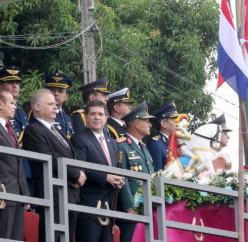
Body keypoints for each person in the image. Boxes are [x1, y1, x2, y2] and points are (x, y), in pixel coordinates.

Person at [23, 89, 86, 242]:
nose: (56, 107)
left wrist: (80, 172)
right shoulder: (33, 130)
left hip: (70, 194)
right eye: (50, 104)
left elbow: (73, 156)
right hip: (53, 195)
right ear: (37, 107)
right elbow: (48, 156)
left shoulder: (57, 130)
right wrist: (75, 174)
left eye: (55, 104)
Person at [70, 100, 127, 242]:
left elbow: (115, 169)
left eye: (101, 114)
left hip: (109, 205)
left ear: (105, 118)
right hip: (89, 206)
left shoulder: (112, 142)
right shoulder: (79, 139)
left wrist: (118, 180)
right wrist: (106, 177)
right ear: (86, 117)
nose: (97, 117)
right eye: (93, 114)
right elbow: (81, 167)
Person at [0, 87, 30, 240]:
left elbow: (18, 163)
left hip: (17, 192)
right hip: (3, 190)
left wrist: (24, 192)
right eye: (11, 103)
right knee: (2, 235)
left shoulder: (9, 127)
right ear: (0, 104)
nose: (15, 106)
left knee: (16, 236)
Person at [116, 101, 155, 242]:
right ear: (137, 124)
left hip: (147, 207)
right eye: (147, 121)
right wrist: (129, 206)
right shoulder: (122, 146)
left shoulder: (144, 148)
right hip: (132, 209)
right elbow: (122, 177)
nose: (150, 125)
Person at [0, 66, 33, 194]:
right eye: (10, 83)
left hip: (25, 166)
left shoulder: (21, 109)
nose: (15, 86)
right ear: (0, 85)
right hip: (8, 167)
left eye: (17, 83)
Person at [147, 100, 179, 171]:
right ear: (164, 123)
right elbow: (157, 173)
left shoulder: (175, 143)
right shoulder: (155, 144)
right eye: (174, 120)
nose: (177, 124)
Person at [45, 72, 75, 139]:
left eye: (60, 91)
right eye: (52, 90)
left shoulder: (68, 119)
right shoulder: (43, 114)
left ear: (66, 97)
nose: (56, 94)